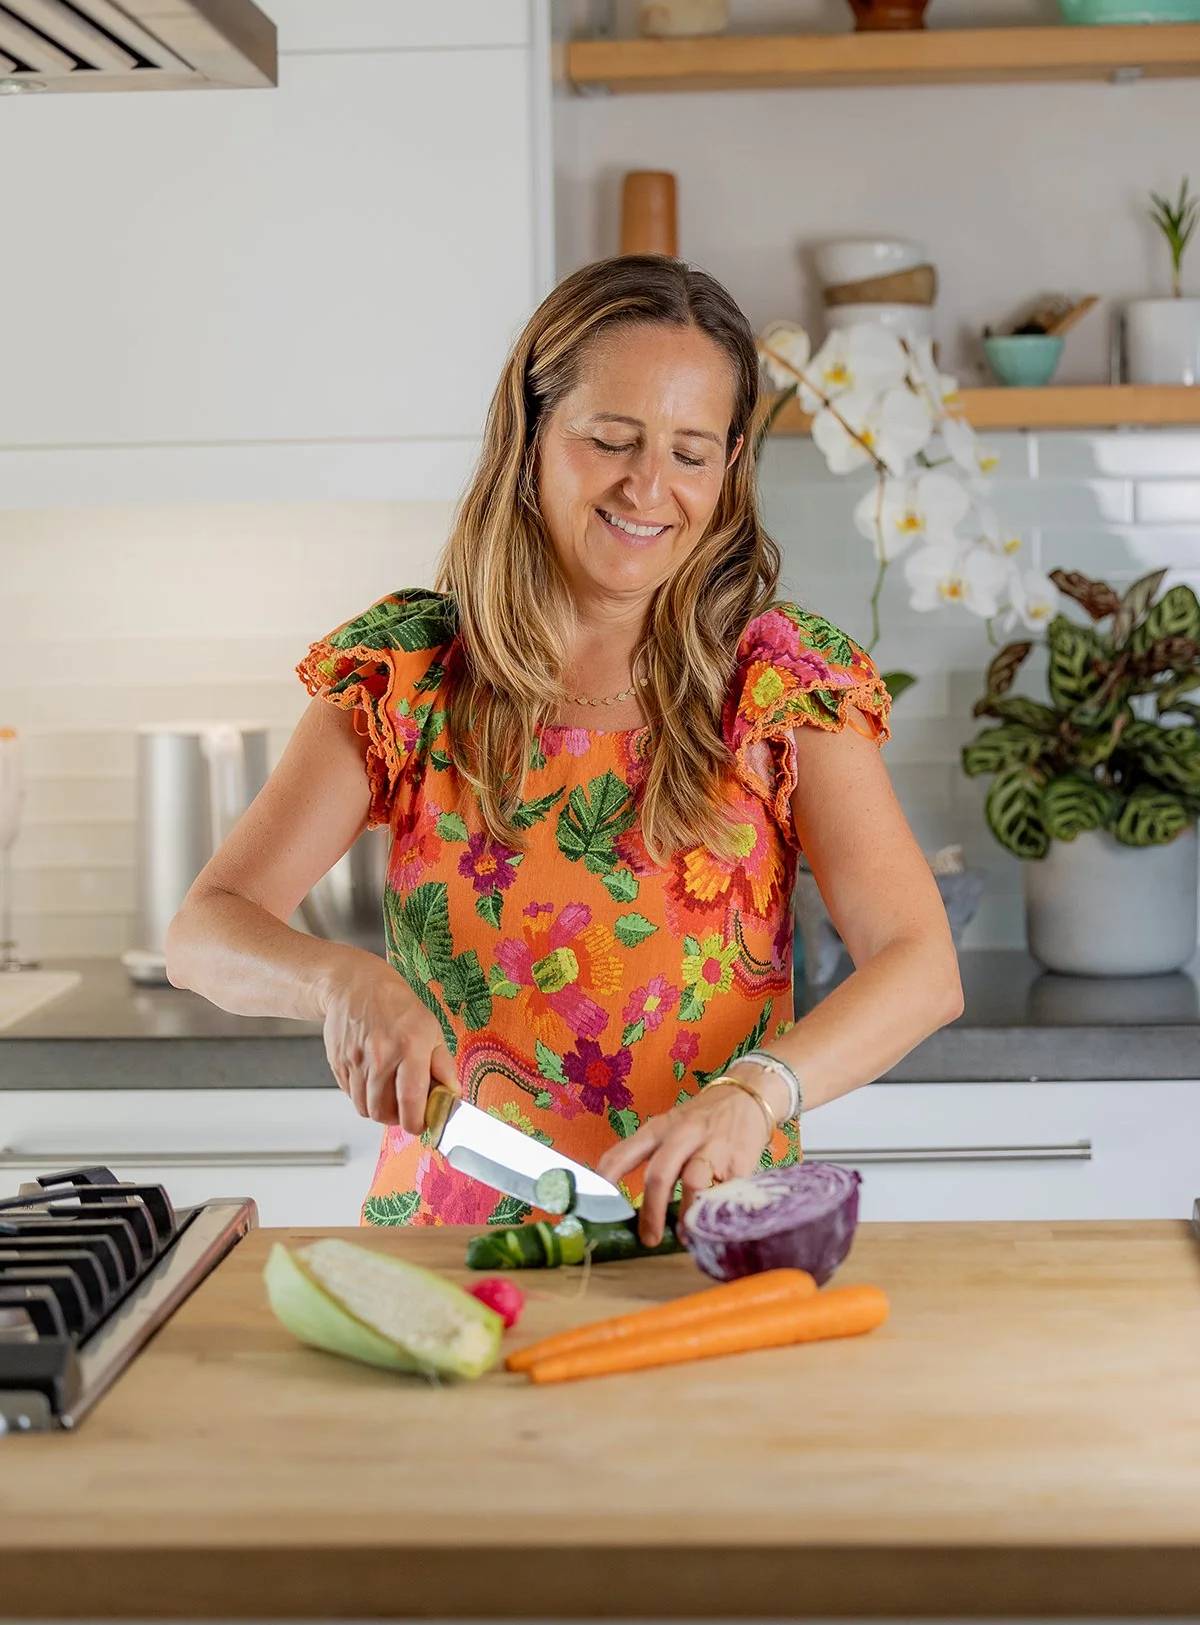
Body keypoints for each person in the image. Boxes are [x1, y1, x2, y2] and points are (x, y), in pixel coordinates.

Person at [166, 255, 962, 1245]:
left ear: (733, 464)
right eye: (613, 439)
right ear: (533, 435)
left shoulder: (779, 688)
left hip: (705, 1241)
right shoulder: (408, 675)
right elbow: (204, 932)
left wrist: (758, 1094)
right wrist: (343, 981)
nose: (649, 486)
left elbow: (923, 965)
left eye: (691, 451)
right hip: (450, 1247)